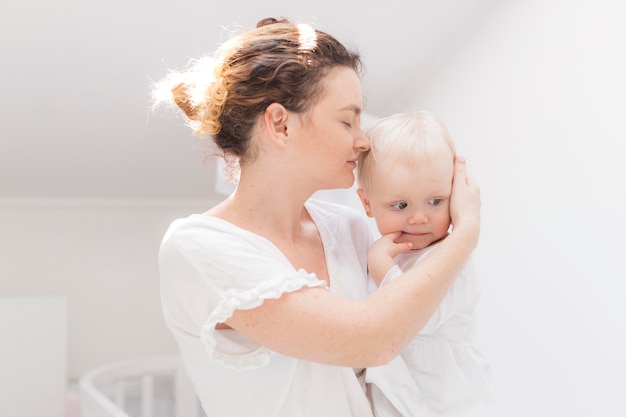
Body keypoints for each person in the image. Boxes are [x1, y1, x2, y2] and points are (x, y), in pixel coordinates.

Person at [152, 17, 481, 417]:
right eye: (347, 120)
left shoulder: (352, 229)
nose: (363, 141)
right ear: (280, 124)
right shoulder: (198, 247)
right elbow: (373, 340)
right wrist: (466, 232)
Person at [356, 111, 496, 416]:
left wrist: (382, 268)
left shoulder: (453, 260)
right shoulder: (381, 253)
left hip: (449, 403)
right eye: (401, 205)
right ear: (367, 203)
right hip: (398, 397)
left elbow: (416, 315)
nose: (420, 217)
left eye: (436, 201)